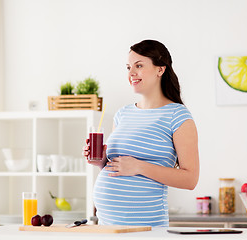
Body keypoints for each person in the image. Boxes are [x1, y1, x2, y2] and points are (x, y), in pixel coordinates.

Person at [83, 39, 199, 227]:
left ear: (160, 69)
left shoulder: (177, 115)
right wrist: (101, 161)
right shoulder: (123, 114)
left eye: (139, 66)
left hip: (146, 228)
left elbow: (190, 179)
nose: (131, 73)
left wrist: (140, 167)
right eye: (128, 67)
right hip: (107, 226)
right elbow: (117, 167)